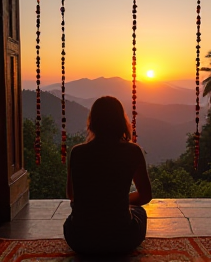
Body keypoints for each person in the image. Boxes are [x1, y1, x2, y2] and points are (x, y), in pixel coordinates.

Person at [63, 96, 152, 256]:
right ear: (121, 121)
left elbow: (72, 195)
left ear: (93, 121)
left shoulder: (78, 152)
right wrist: (118, 201)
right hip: (121, 240)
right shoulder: (133, 151)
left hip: (80, 240)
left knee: (71, 219)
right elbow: (145, 196)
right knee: (140, 212)